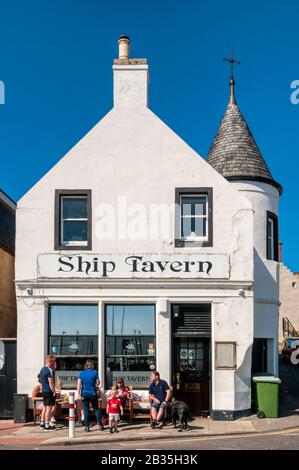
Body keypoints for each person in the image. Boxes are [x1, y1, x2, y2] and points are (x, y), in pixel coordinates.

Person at [77, 359, 104, 432]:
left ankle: (87, 427)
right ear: (92, 365)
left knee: (86, 411)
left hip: (84, 394)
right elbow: (98, 383)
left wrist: (78, 394)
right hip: (92, 393)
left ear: (86, 365)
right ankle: (100, 426)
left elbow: (79, 385)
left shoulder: (81, 373)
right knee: (96, 409)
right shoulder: (95, 372)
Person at [39, 355, 56, 431]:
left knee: (45, 407)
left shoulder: (42, 369)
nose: (53, 363)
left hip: (44, 391)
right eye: (53, 361)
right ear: (49, 361)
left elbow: (41, 381)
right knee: (49, 408)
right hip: (49, 391)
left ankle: (42, 423)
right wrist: (54, 391)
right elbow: (51, 382)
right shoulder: (49, 370)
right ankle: (47, 425)